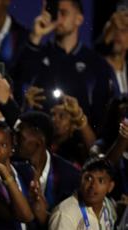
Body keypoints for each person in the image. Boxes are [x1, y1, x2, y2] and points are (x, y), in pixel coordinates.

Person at [15, 0, 116, 133]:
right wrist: (36, 36)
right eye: (55, 13)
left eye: (63, 13)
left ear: (79, 19)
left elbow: (101, 115)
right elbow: (16, 79)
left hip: (79, 146)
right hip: (41, 140)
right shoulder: (36, 54)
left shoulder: (96, 63)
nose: (57, 18)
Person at [49, 156, 128, 230]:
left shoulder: (108, 208)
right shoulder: (65, 212)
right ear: (80, 179)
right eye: (88, 178)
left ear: (110, 187)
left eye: (100, 181)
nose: (92, 186)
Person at [49, 95, 95, 167]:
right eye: (53, 115)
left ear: (73, 126)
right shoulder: (42, 143)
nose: (55, 119)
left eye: (62, 116)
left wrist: (78, 116)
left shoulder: (77, 150)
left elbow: (94, 148)